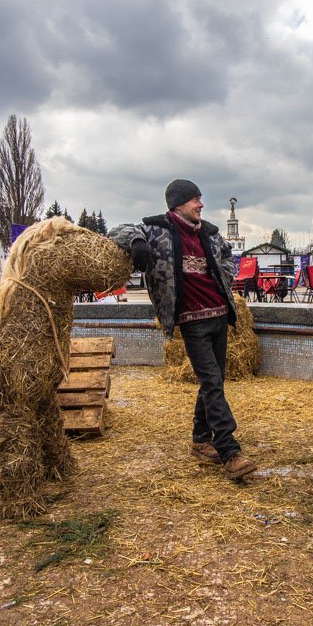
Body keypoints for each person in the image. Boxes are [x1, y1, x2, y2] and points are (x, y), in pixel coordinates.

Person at [110, 179, 256, 480]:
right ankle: (230, 451)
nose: (201, 205)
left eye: (200, 200)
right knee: (213, 382)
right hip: (192, 321)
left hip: (219, 315)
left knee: (212, 382)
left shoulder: (210, 233)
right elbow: (118, 230)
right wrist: (137, 245)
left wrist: (225, 278)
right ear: (178, 204)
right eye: (195, 200)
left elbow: (228, 256)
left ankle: (201, 440)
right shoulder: (156, 230)